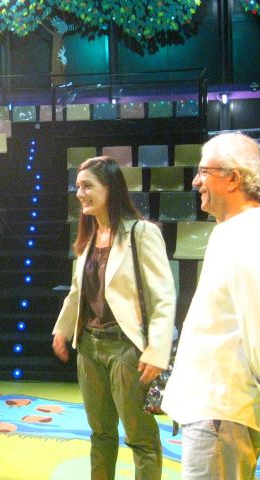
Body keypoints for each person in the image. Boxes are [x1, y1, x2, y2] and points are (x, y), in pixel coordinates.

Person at [162, 132, 260, 479]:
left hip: (222, 411)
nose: (195, 181)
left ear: (233, 179)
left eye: (204, 171)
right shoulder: (236, 232)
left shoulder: (250, 236)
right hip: (217, 410)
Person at [52, 156, 176, 480]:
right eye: (78, 187)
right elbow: (77, 291)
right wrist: (62, 330)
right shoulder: (89, 236)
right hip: (89, 347)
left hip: (127, 348)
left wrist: (157, 350)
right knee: (101, 434)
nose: (80, 193)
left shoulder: (142, 232)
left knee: (140, 438)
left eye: (87, 186)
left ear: (110, 188)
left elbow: (163, 296)